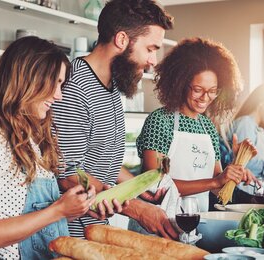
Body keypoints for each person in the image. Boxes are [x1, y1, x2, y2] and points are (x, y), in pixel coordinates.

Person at [0, 36, 99, 259]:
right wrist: (58, 210)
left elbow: (37, 221)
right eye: (55, 82)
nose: (59, 95)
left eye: (61, 84)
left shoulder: (32, 137)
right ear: (29, 79)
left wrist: (75, 207)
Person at [52, 0, 178, 239]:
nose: (153, 61)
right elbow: (68, 174)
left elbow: (100, 159)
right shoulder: (74, 88)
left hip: (95, 230)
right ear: (122, 40)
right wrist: (138, 209)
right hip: (69, 236)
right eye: (150, 49)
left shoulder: (110, 88)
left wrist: (138, 188)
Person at [135, 38, 256, 217]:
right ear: (181, 84)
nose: (205, 97)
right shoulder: (160, 121)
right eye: (198, 89)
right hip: (156, 224)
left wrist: (235, 170)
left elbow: (218, 188)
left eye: (212, 90)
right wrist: (215, 182)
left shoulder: (207, 127)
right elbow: (154, 185)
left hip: (195, 222)